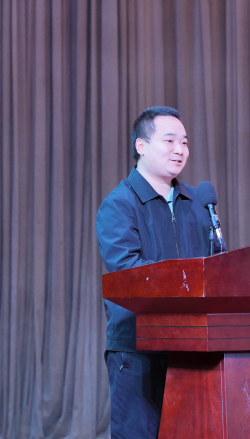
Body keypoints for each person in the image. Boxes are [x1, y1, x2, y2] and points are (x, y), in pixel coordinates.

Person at [95, 106, 220, 439]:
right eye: (169, 141)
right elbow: (127, 272)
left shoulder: (198, 203)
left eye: (184, 142)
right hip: (139, 348)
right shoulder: (119, 204)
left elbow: (215, 269)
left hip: (193, 345)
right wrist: (185, 283)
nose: (180, 150)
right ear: (141, 146)